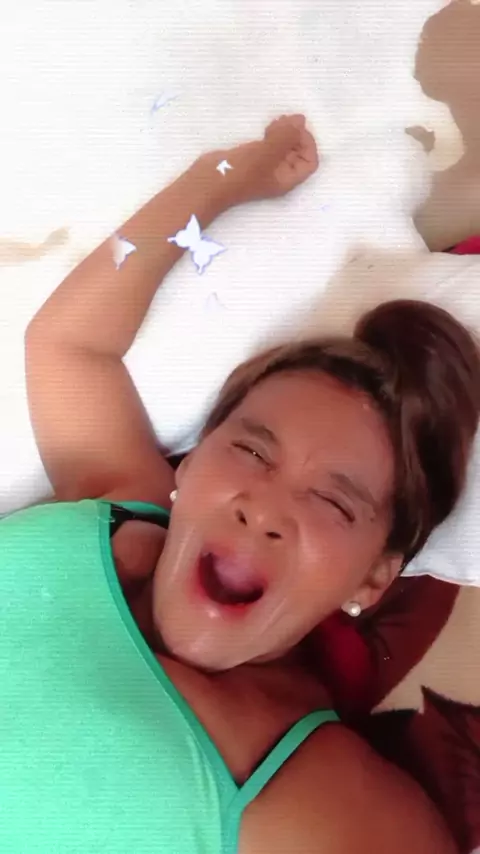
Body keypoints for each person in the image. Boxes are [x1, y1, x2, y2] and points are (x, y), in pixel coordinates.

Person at [1, 114, 471, 853]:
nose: (264, 507)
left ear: (374, 578)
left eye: (333, 500)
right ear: (190, 468)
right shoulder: (112, 503)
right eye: (251, 451)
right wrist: (225, 176)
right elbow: (69, 343)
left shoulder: (323, 803)